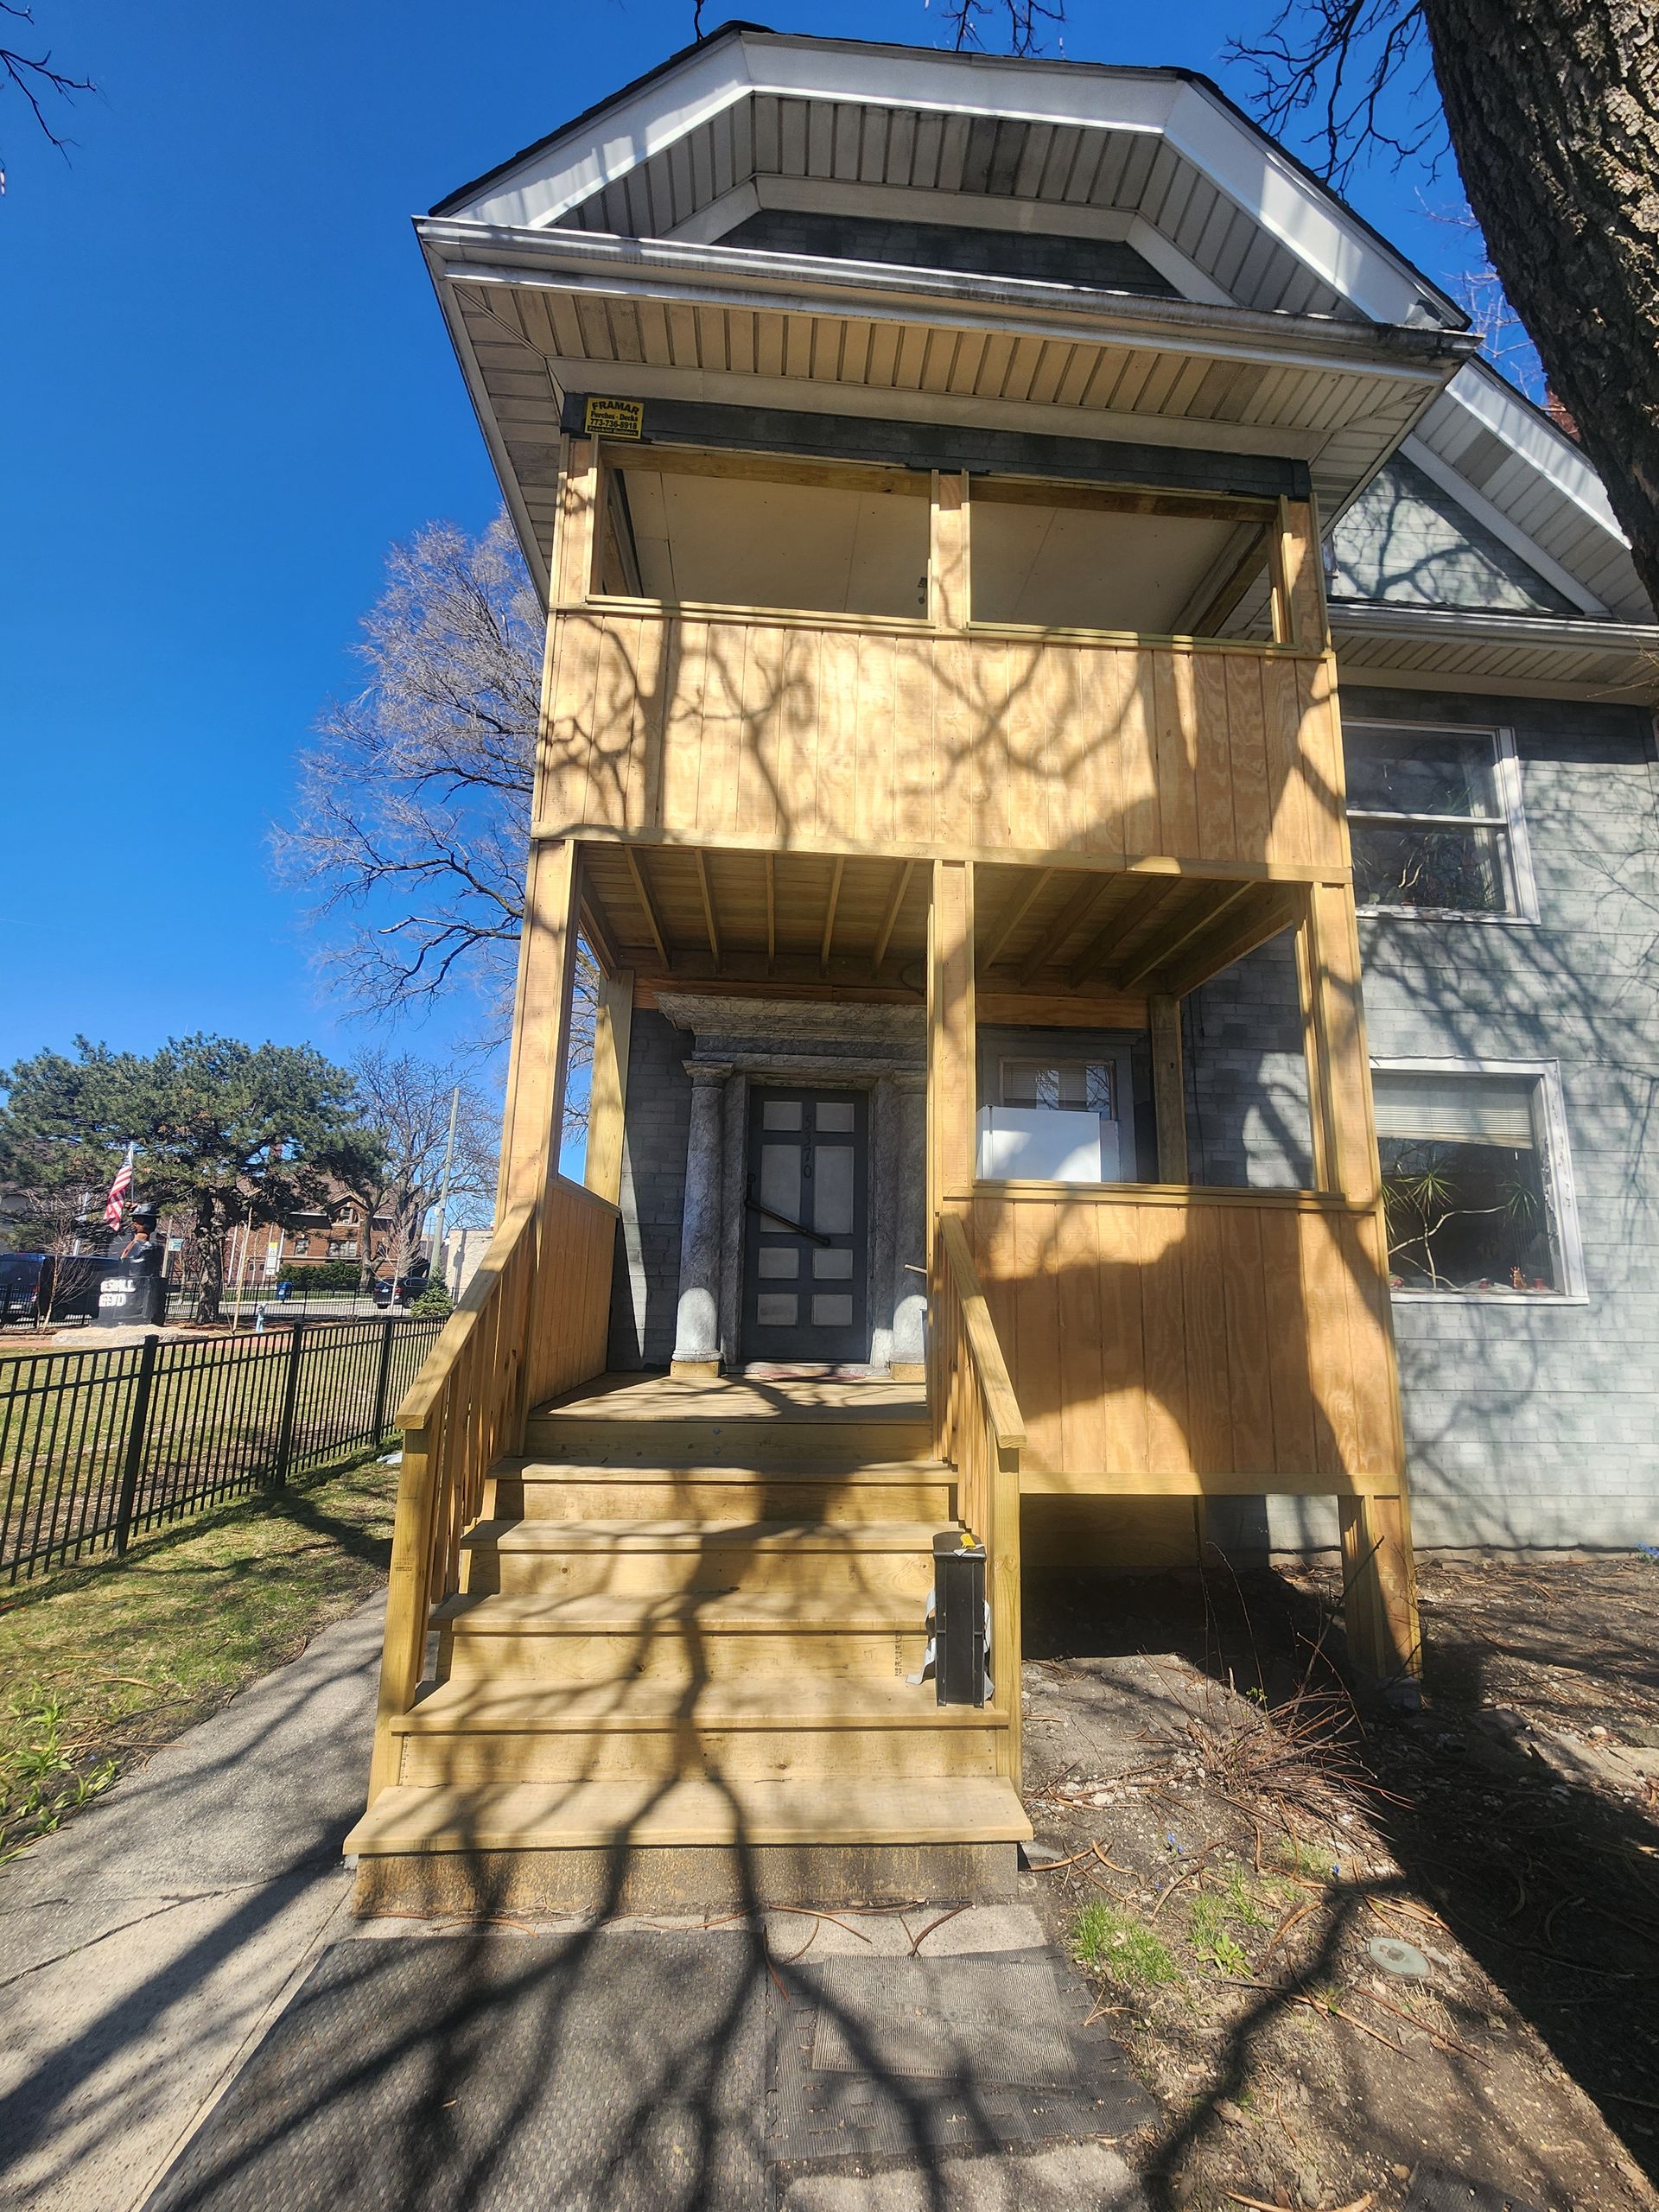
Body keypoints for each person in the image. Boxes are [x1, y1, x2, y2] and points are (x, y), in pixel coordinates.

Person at [118, 1205, 169, 1325]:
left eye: (138, 1220)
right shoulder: (132, 1245)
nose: (134, 1223)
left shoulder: (150, 1248)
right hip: (125, 1297)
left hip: (139, 1300)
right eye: (133, 1220)